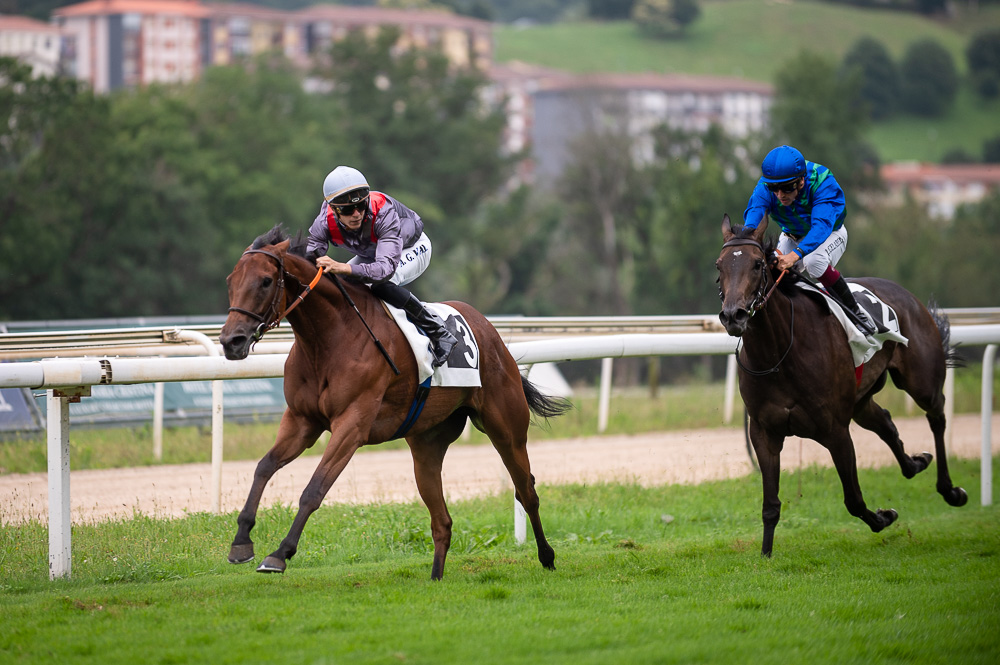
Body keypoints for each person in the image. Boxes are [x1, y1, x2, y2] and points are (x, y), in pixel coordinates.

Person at [307, 165, 458, 367]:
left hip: (412, 248)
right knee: (340, 284)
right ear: (333, 209)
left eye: (361, 205)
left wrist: (344, 267)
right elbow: (310, 260)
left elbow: (384, 270)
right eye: (348, 209)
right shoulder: (323, 223)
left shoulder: (383, 211)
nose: (356, 214)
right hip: (374, 253)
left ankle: (439, 332)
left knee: (381, 285)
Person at [742, 145, 878, 336]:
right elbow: (754, 214)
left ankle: (856, 314)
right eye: (774, 189)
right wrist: (746, 237)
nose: (780, 195)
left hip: (829, 233)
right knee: (771, 271)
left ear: (801, 181)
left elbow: (821, 227)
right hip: (791, 235)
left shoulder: (822, 182)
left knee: (813, 262)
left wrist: (795, 255)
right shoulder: (766, 186)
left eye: (786, 188)